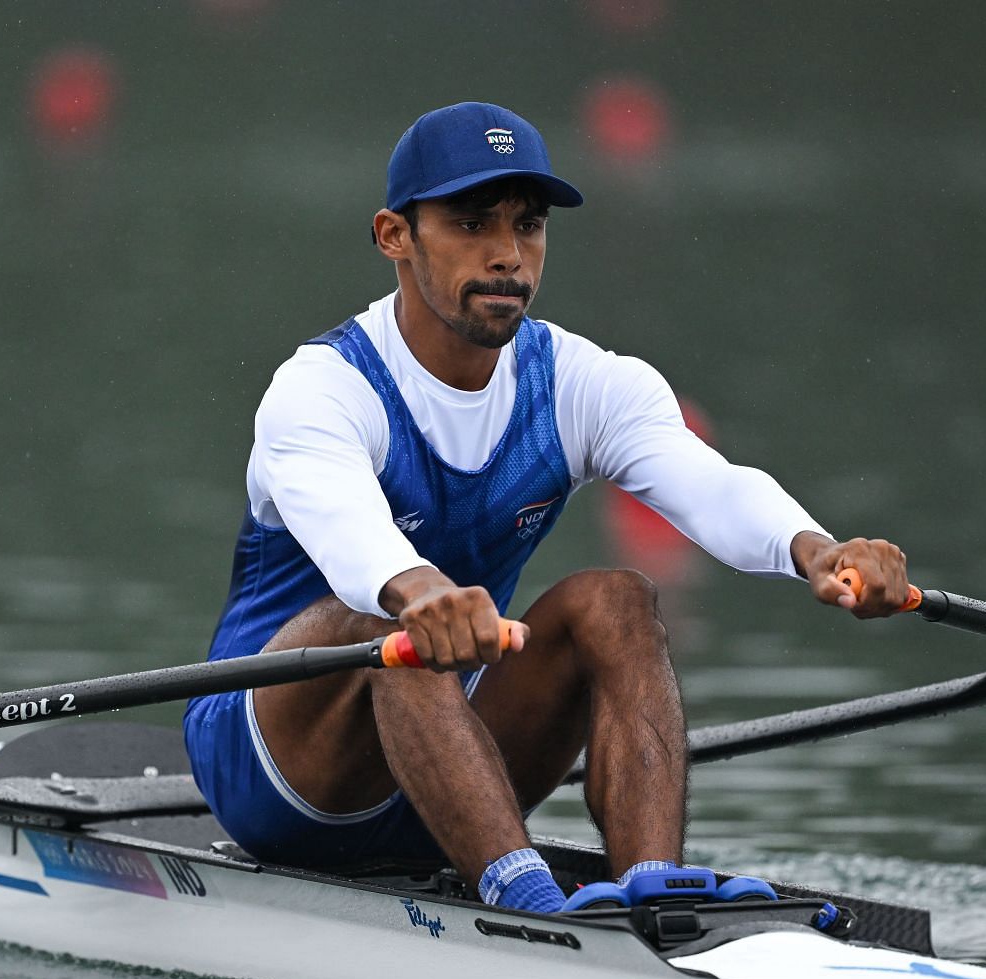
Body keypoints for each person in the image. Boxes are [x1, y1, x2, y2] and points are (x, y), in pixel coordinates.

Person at [184, 101, 910, 914]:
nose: (508, 255)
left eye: (528, 226)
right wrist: (421, 593)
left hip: (446, 766)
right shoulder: (323, 389)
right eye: (471, 223)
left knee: (617, 598)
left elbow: (712, 483)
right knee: (396, 631)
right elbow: (352, 535)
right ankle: (526, 903)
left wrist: (817, 550)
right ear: (395, 235)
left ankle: (651, 890)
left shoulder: (581, 382)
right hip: (273, 774)